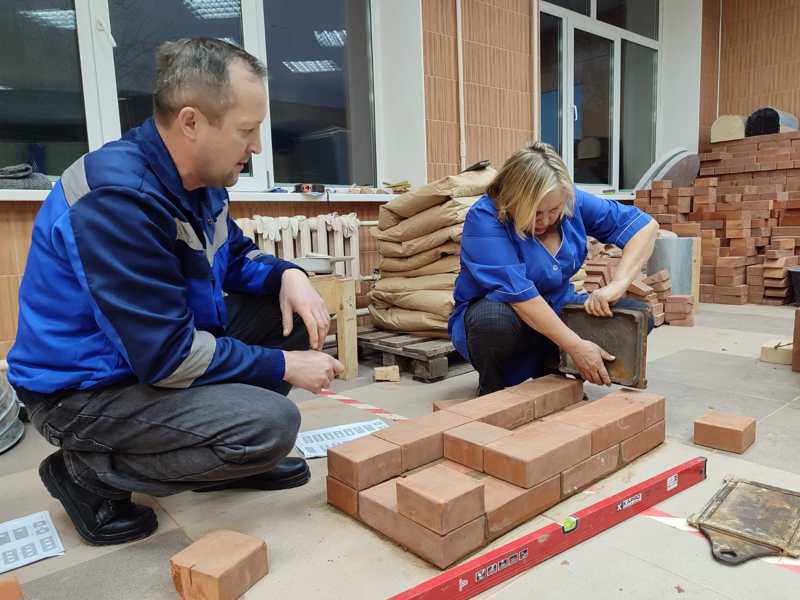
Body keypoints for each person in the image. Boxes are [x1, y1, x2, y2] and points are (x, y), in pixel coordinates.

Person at [7, 38, 343, 546]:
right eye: (247, 132)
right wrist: (284, 367)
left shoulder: (200, 182)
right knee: (270, 425)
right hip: (83, 390)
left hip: (145, 358)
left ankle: (224, 462)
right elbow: (167, 358)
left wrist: (287, 275)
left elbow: (233, 257)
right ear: (191, 122)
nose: (255, 149)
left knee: (287, 315)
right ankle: (84, 475)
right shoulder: (117, 202)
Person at [449, 142, 658, 396]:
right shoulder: (485, 218)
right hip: (508, 316)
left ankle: (555, 373)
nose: (546, 220)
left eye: (554, 211)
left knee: (637, 317)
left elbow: (645, 227)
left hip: (558, 308)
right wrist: (577, 346)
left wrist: (618, 285)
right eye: (536, 212)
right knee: (492, 322)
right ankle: (493, 387)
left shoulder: (570, 200)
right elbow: (521, 297)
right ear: (511, 199)